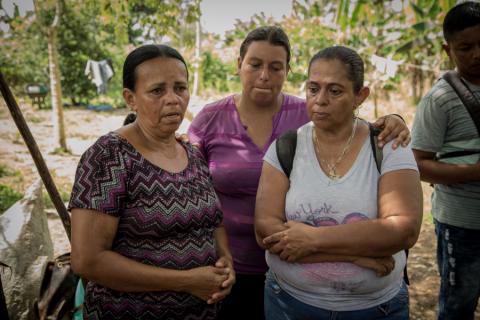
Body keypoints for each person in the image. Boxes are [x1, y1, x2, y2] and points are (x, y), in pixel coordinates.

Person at [187, 26, 412, 319]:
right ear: (239, 64)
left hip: (293, 264)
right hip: (232, 263)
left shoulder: (307, 111)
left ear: (287, 71)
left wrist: (394, 120)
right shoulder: (210, 118)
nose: (264, 75)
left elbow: (349, 121)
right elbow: (189, 183)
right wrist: (356, 254)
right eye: (255, 64)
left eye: (275, 67)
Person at [254, 45, 423, 319]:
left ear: (360, 95)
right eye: (313, 88)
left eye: (335, 91)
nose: (320, 100)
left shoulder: (387, 147)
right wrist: (356, 256)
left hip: (376, 309)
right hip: (289, 304)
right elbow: (265, 231)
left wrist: (314, 239)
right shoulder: (287, 147)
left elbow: (403, 231)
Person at [69, 44, 235, 320]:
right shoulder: (109, 157)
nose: (173, 99)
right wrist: (187, 280)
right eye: (157, 90)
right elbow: (88, 261)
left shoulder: (191, 154)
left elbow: (213, 222)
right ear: (130, 98)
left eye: (180, 88)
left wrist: (225, 260)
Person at [411, 2, 480, 319]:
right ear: (447, 49)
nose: (477, 54)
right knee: (457, 306)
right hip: (462, 225)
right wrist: (473, 172)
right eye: (466, 47)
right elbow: (418, 164)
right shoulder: (440, 99)